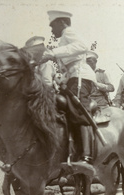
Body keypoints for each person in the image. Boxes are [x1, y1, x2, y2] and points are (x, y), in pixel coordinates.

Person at [41, 10, 97, 175]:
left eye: (52, 25)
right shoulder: (63, 39)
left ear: (61, 22)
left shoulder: (69, 32)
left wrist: (52, 53)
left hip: (81, 77)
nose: (52, 30)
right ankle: (72, 150)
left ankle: (87, 156)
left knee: (78, 109)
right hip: (72, 78)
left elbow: (82, 47)